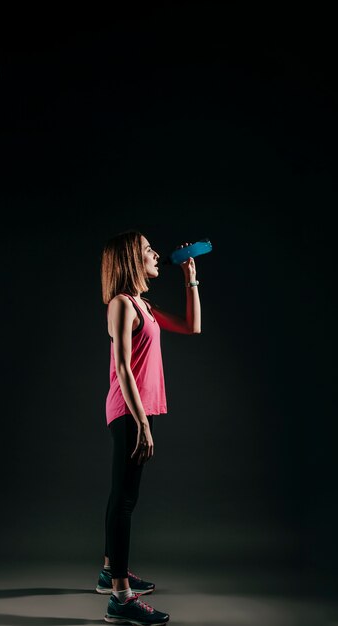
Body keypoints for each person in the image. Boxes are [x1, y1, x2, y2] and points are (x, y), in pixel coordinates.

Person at [96, 229, 201, 625]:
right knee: (124, 500)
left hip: (139, 410)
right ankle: (120, 598)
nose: (156, 254)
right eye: (147, 250)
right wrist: (142, 422)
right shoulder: (122, 305)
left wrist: (190, 279)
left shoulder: (144, 306)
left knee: (122, 494)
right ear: (130, 260)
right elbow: (123, 366)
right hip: (129, 409)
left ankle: (110, 572)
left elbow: (193, 326)